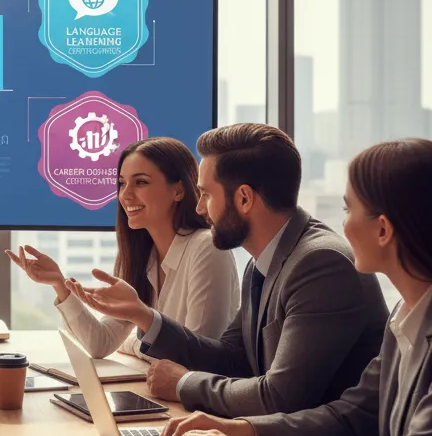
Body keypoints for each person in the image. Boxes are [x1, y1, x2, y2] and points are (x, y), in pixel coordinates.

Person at [161, 139, 432, 436]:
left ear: (383, 229)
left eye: (348, 209)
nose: (342, 226)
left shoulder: (323, 261)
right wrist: (244, 430)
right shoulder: (407, 314)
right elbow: (351, 414)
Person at [69, 123, 387, 417]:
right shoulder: (263, 262)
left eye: (206, 195)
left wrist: (184, 384)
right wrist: (145, 317)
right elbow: (232, 358)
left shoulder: (320, 264)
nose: (198, 207)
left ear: (244, 198)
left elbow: (281, 397)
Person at [8, 137, 239, 358]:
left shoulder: (206, 248)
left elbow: (198, 355)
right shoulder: (141, 254)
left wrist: (135, 342)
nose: (125, 195)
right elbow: (100, 344)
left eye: (140, 182)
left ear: (178, 191)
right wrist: (59, 284)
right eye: (122, 183)